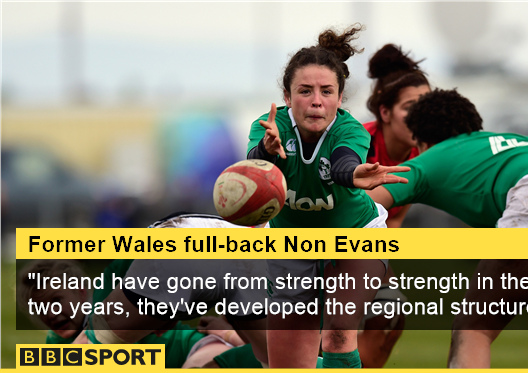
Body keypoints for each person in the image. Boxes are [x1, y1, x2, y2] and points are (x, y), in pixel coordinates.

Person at [367, 88, 528, 368]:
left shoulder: (428, 160)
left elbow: (363, 204)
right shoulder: (509, 141)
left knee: (472, 327)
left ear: (421, 140)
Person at [246, 24, 409, 368]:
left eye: (327, 91)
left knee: (338, 330)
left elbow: (341, 164)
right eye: (305, 91)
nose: (317, 101)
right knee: (290, 362)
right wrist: (268, 151)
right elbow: (253, 173)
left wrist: (353, 174)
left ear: (339, 97)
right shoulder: (268, 127)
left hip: (356, 237)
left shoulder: (348, 129)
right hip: (291, 246)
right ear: (288, 98)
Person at [70, 213, 270, 367]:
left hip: (192, 237)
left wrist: (227, 335)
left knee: (92, 345)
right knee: (279, 359)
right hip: (248, 252)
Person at [17, 258, 242, 368]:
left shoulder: (110, 309)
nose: (50, 312)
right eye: (39, 307)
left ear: (80, 292)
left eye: (56, 300)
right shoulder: (54, 343)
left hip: (196, 348)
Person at [363, 44, 431, 227]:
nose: (421, 115)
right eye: (409, 107)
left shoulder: (423, 156)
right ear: (385, 112)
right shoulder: (356, 143)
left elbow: (393, 220)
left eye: (427, 105)